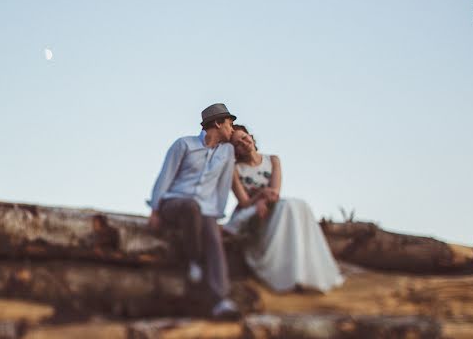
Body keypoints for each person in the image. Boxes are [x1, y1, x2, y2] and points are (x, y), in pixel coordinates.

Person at [223, 125, 344, 293]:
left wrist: (264, 198)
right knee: (286, 206)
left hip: (272, 205)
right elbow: (244, 202)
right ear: (235, 150)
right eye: (237, 143)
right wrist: (259, 198)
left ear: (250, 136)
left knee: (298, 205)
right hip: (248, 210)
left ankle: (303, 273)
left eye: (244, 137)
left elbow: (275, 192)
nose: (243, 143)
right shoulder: (235, 169)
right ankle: (282, 275)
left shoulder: (273, 160)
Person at [147, 103, 240, 320]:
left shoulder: (227, 152)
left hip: (206, 209)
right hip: (175, 203)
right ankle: (194, 261)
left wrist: (218, 215)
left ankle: (221, 301)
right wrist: (155, 210)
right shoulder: (184, 145)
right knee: (191, 206)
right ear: (217, 123)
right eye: (229, 124)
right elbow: (165, 176)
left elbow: (223, 186)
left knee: (214, 240)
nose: (232, 130)